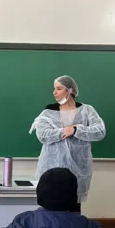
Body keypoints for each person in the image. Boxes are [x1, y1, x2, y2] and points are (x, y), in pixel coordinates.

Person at [29, 75, 106, 213]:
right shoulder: (48, 112)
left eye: (59, 89)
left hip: (78, 169)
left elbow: (99, 131)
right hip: (51, 169)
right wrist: (64, 131)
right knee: (50, 207)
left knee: (73, 207)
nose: (54, 92)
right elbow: (43, 135)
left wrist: (76, 129)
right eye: (54, 89)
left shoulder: (87, 111)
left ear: (69, 91)